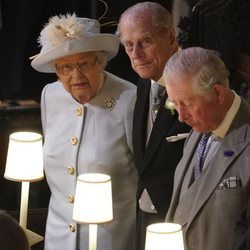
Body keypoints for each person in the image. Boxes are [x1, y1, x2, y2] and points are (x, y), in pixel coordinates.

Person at [30, 13, 137, 250]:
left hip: (110, 239)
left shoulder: (129, 99)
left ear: (100, 61)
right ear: (56, 70)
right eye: (66, 67)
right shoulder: (50, 95)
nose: (76, 75)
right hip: (59, 238)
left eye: (84, 64)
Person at [117, 2, 191, 249]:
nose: (136, 53)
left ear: (170, 36)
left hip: (182, 221)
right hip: (145, 216)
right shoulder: (143, 84)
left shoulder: (196, 78)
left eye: (145, 41)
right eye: (129, 45)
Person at [164, 47, 250, 250]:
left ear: (218, 93)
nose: (181, 117)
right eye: (174, 104)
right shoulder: (199, 128)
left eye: (186, 103)